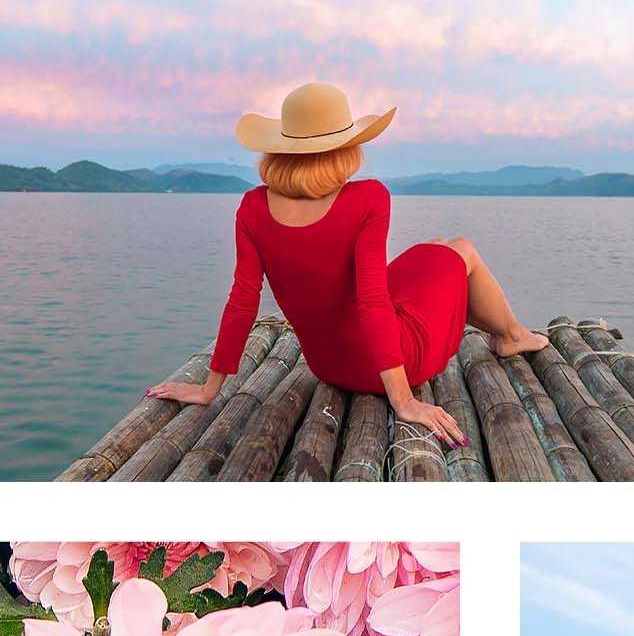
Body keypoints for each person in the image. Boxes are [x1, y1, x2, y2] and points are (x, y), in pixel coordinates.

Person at [146, 81, 548, 446]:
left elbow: (242, 301)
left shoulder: (252, 207)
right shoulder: (368, 198)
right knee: (460, 249)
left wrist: (208, 389)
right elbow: (373, 301)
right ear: (344, 146)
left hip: (328, 365)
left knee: (436, 247)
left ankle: (506, 331)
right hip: (393, 365)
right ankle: (511, 336)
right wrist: (404, 401)